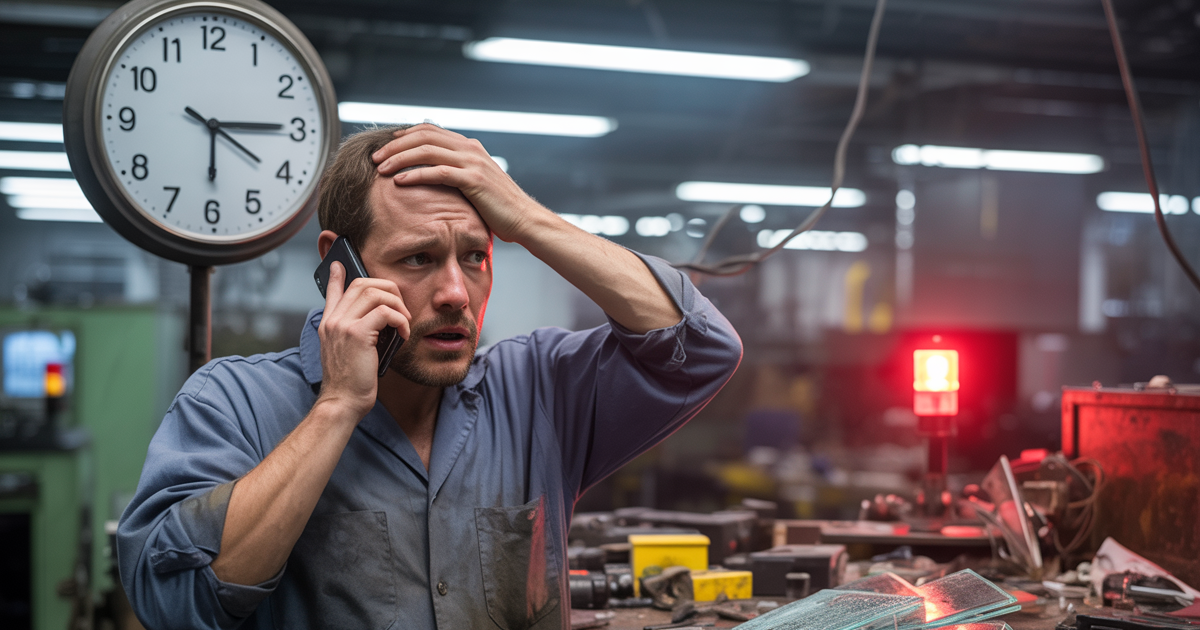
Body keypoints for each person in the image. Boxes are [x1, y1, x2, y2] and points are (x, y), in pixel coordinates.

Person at [117, 123, 742, 630]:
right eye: (418, 257)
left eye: (474, 257)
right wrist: (336, 408)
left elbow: (701, 347)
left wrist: (524, 216)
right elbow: (177, 603)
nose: (454, 293)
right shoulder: (233, 404)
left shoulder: (537, 391)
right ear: (339, 263)